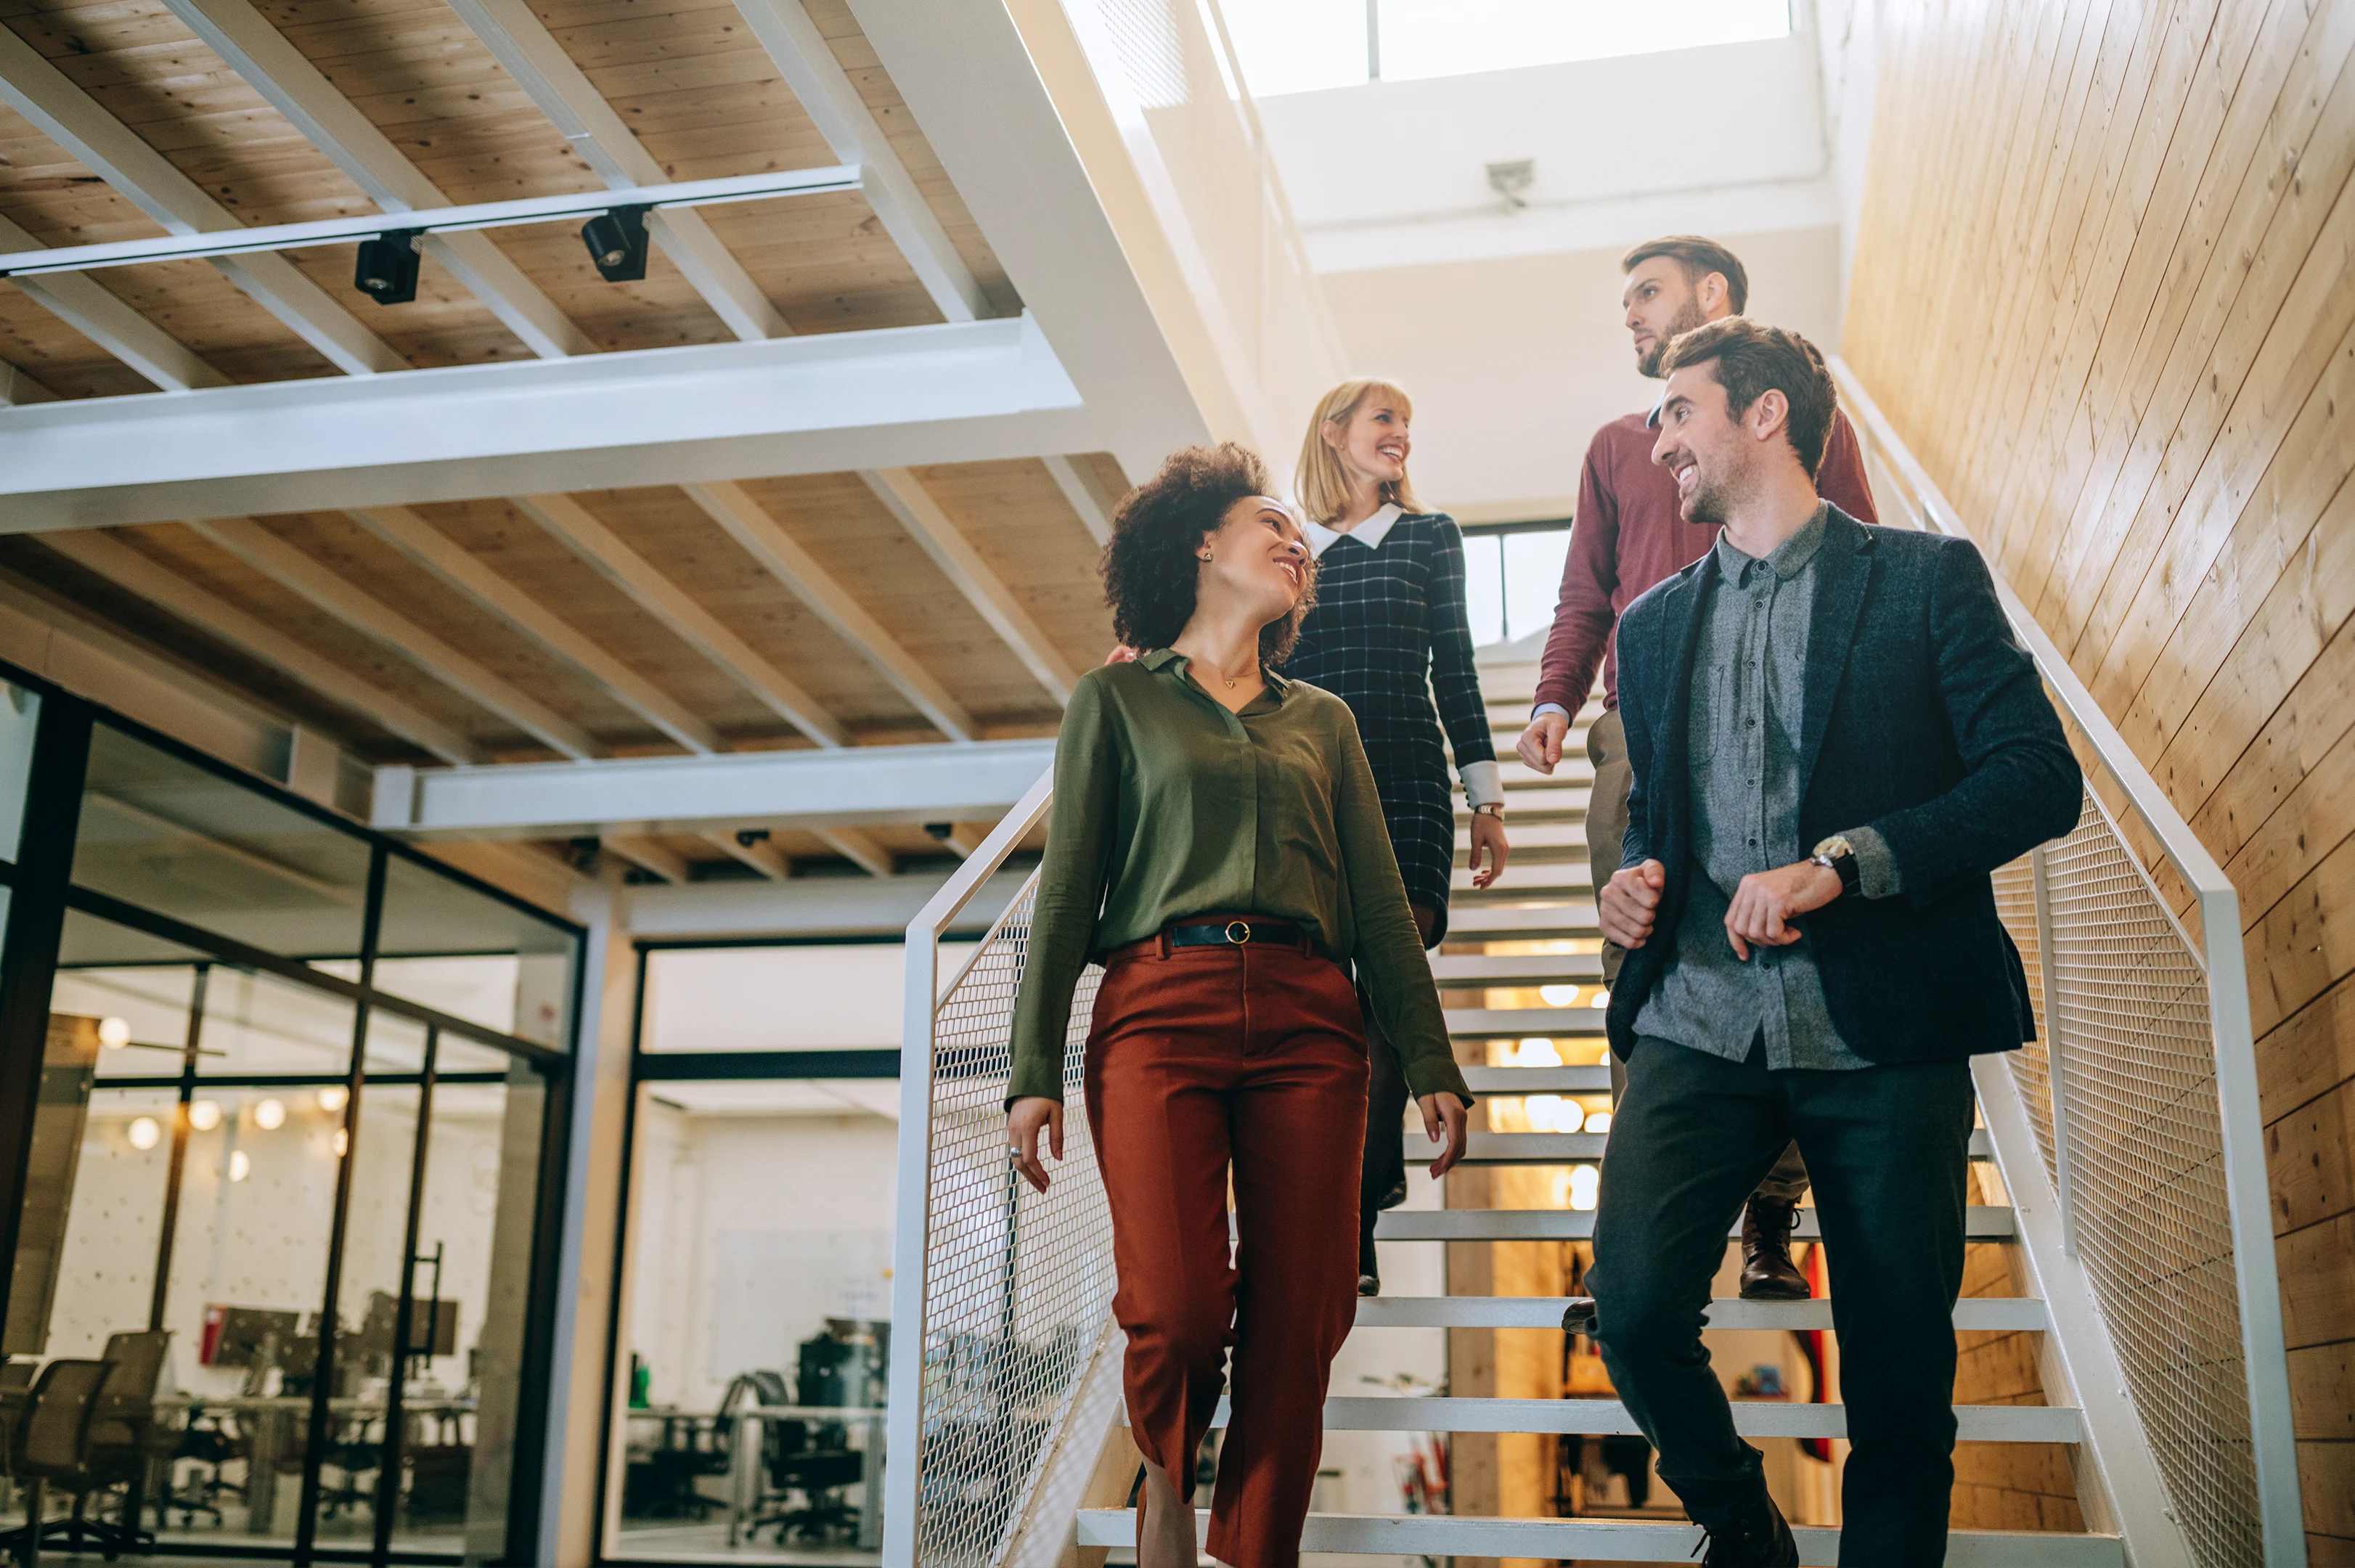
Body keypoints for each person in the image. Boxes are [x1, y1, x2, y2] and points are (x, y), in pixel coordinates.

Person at [1581, 319, 2080, 1564]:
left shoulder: (1923, 578)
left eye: (1676, 414)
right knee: (1635, 1311)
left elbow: (2034, 779)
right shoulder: (1643, 630)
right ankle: (1742, 1528)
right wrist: (1632, 885)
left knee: (1898, 1374)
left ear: (1761, 417)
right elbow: (1656, 822)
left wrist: (1841, 866)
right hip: (1695, 1016)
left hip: (1885, 1024)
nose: (1656, 445)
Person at [1005, 444, 1474, 1568]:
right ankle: (1167, 1483)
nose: (1295, 543)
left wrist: (1433, 1056)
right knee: (1174, 1309)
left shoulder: (1324, 721)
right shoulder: (1115, 698)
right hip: (1159, 1012)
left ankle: (1254, 1550)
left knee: (1304, 1317)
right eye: (1272, 521)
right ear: (1203, 544)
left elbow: (1377, 903)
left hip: (1315, 1025)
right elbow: (1068, 892)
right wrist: (1031, 1071)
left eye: (1299, 539)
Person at [1519, 235, 1881, 1302]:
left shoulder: (1807, 424)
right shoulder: (1614, 447)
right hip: (1642, 737)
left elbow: (1858, 553)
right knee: (1640, 972)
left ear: (1711, 295)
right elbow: (1586, 589)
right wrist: (1554, 693)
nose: (1629, 315)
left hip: (1793, 732)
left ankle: (1771, 1219)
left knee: (1787, 961)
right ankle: (1627, 1233)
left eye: (1647, 294)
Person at [1283, 377, 1507, 1298]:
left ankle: (1355, 1222)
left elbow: (1454, 666)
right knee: (1329, 1009)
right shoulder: (1288, 550)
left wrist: (1485, 797)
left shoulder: (1428, 537)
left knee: (1381, 1005)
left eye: (1407, 424)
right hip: (1307, 791)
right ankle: (1350, 1200)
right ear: (1333, 433)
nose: (1400, 436)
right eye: (1384, 420)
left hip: (1409, 785)